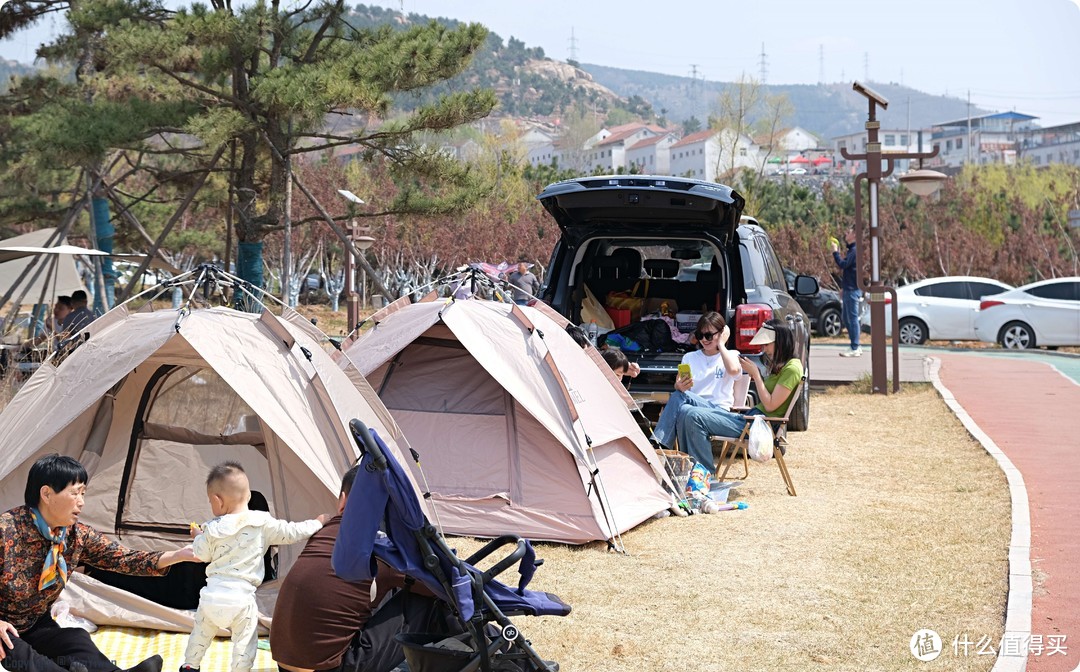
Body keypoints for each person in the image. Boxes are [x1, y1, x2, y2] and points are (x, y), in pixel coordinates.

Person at [0, 454, 198, 672]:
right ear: (46, 494)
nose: (81, 502)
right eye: (74, 493)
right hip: (2, 628)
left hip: (36, 623)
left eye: (83, 493)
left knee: (75, 639)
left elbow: (124, 558)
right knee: (20, 653)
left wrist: (178, 555)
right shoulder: (6, 530)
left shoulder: (76, 536)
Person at [271, 466, 455, 672]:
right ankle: (476, 652)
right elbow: (441, 587)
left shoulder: (324, 531)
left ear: (342, 501)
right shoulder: (381, 544)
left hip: (284, 666)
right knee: (425, 597)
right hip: (330, 668)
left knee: (381, 584)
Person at [181, 462, 329, 672]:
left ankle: (190, 665)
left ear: (217, 500)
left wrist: (198, 538)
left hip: (211, 598)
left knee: (200, 635)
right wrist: (317, 522)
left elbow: (201, 554)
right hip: (241, 601)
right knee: (244, 644)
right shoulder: (263, 523)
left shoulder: (212, 529)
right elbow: (292, 532)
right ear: (249, 496)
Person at [676, 320, 804, 468]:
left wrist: (756, 375)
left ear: (780, 342)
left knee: (693, 415)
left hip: (757, 425)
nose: (764, 349)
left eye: (767, 344)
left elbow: (770, 406)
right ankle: (691, 470)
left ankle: (705, 474)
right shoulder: (783, 366)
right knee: (685, 406)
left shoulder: (792, 368)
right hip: (749, 418)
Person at [649, 312, 742, 452]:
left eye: (709, 335)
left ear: (722, 333)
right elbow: (677, 384)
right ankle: (694, 467)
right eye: (700, 335)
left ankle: (658, 444)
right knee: (683, 403)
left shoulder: (732, 355)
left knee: (681, 398)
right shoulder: (689, 357)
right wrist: (679, 386)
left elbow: (734, 372)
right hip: (691, 408)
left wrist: (722, 345)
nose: (704, 339)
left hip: (719, 411)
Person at [832, 227, 862, 357]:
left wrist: (835, 253)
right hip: (848, 289)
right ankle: (854, 345)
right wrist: (843, 287)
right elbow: (850, 271)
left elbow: (843, 265)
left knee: (852, 318)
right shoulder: (852, 250)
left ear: (855, 235)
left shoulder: (854, 251)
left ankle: (855, 346)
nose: (846, 234)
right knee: (846, 318)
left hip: (853, 290)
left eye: (848, 232)